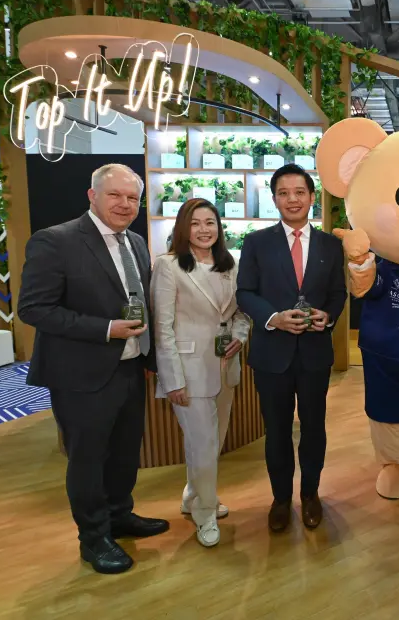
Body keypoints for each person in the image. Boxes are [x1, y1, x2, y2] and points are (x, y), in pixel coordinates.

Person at [17, 163, 169, 575]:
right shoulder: (55, 241)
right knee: (87, 459)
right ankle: (93, 537)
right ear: (92, 196)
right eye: (115, 195)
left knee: (123, 453)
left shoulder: (136, 242)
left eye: (132, 197)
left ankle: (119, 516)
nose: (124, 204)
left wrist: (150, 357)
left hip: (129, 368)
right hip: (81, 375)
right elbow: (33, 309)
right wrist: (106, 330)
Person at [236, 164, 347, 532]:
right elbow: (245, 292)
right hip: (272, 355)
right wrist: (273, 318)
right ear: (274, 199)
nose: (292, 199)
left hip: (315, 354)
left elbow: (337, 293)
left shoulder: (331, 245)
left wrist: (327, 316)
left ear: (312, 197)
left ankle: (311, 494)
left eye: (299, 192)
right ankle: (281, 499)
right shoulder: (257, 242)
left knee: (314, 428)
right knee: (278, 431)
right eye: (283, 193)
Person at [152, 198, 251, 547]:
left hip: (225, 367)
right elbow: (162, 327)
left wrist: (239, 337)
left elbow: (240, 312)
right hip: (189, 371)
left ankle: (193, 496)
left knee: (211, 442)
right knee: (204, 444)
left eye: (211, 222)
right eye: (196, 223)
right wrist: (173, 379)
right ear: (183, 227)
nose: (204, 229)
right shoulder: (168, 266)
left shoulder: (230, 265)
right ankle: (206, 512)